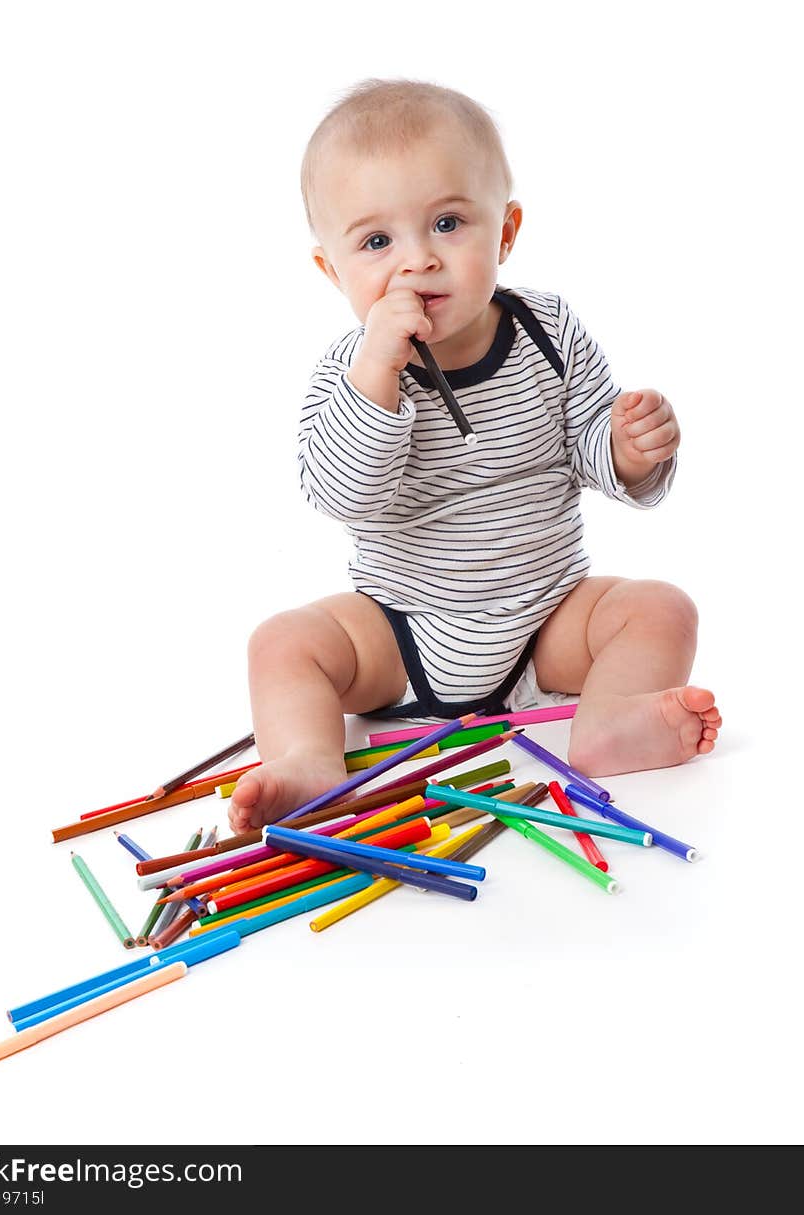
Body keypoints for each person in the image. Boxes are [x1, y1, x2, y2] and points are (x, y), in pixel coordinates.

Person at [229, 78, 721, 834]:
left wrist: (626, 451)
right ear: (332, 270)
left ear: (507, 231)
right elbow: (342, 496)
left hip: (547, 618)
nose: (417, 262)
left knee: (661, 608)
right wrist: (378, 377)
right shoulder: (349, 369)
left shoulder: (547, 330)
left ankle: (610, 722)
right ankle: (308, 762)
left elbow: (588, 444)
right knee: (284, 642)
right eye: (376, 242)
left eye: (448, 223)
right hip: (399, 629)